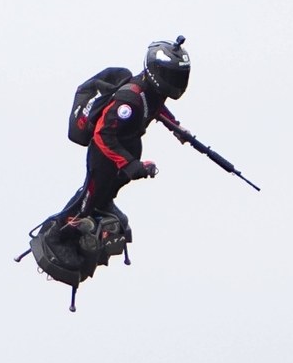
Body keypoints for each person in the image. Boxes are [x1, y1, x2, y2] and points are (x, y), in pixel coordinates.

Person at [46, 36, 191, 247]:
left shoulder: (153, 92)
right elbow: (102, 134)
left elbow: (155, 106)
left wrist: (176, 127)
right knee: (89, 198)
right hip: (105, 153)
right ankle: (57, 236)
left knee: (108, 191)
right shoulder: (129, 101)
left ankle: (102, 206)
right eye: (171, 76)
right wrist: (129, 164)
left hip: (125, 146)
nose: (175, 82)